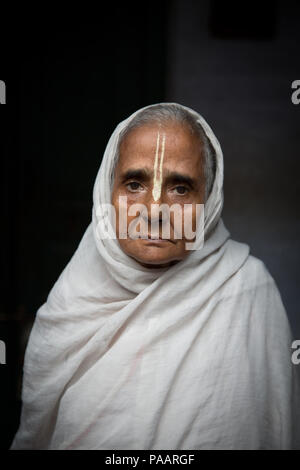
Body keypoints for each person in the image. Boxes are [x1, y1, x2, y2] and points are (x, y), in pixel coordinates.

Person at [11, 103, 300, 449]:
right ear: (107, 191)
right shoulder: (70, 303)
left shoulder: (247, 288)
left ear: (208, 199)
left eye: (180, 188)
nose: (154, 211)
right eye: (134, 184)